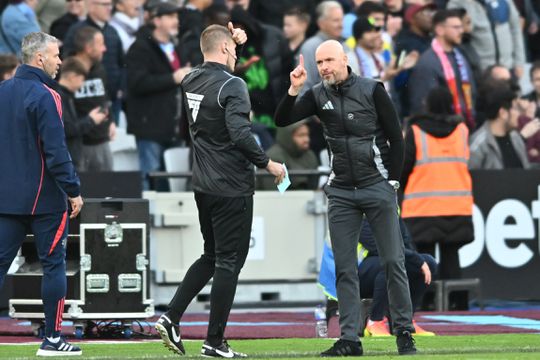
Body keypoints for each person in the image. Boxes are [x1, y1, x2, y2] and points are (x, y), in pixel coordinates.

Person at [275, 40, 416, 356]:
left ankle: (404, 332)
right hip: (340, 190)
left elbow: (396, 137)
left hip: (376, 185)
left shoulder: (372, 89)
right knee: (344, 266)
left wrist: (392, 181)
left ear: (344, 59)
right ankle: (350, 339)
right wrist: (293, 88)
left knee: (394, 261)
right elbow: (282, 120)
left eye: (328, 60)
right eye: (319, 62)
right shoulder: (317, 93)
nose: (324, 67)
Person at [154, 23, 285, 358]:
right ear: (226, 49)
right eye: (234, 49)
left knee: (212, 256)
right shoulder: (233, 84)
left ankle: (171, 316)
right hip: (231, 186)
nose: (237, 53)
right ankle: (214, 341)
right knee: (229, 262)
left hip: (203, 183)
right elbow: (241, 135)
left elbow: (217, 77)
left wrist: (231, 45)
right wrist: (268, 164)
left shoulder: (192, 79)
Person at [0, 32, 83, 356]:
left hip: (5, 197)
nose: (60, 60)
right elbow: (56, 152)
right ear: (40, 59)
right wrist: (73, 190)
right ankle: (51, 338)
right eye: (56, 54)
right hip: (44, 199)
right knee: (53, 265)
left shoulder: (2, 91)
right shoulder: (47, 95)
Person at [401, 87, 474, 309]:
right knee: (452, 257)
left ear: (427, 105)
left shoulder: (415, 130)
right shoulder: (462, 129)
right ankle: (459, 304)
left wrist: (400, 190)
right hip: (457, 206)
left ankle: (426, 302)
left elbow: (404, 166)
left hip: (422, 207)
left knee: (425, 258)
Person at [126, 0, 192, 190]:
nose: (176, 21)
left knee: (171, 181)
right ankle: (150, 218)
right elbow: (136, 83)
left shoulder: (177, 47)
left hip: (174, 126)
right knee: (150, 177)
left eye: (176, 17)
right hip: (150, 127)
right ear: (156, 21)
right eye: (170, 17)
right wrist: (172, 78)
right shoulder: (140, 48)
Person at [408, 9, 476, 130]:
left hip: (464, 127)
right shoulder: (428, 62)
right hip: (442, 131)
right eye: (456, 27)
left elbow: (471, 92)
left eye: (461, 27)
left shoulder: (461, 56)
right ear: (440, 30)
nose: (461, 31)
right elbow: (423, 105)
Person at [57, 56, 107, 171]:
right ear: (73, 77)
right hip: (68, 160)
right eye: (82, 79)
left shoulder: (65, 96)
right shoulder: (61, 97)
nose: (81, 84)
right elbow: (67, 129)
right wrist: (91, 120)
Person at [469, 81, 531, 169]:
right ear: (503, 113)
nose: (518, 113)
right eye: (515, 108)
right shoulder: (479, 144)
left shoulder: (515, 137)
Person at [259, 120, 319, 190]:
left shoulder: (310, 156)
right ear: (287, 137)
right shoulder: (273, 157)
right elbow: (273, 194)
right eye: (301, 135)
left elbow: (314, 188)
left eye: (307, 135)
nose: (307, 139)